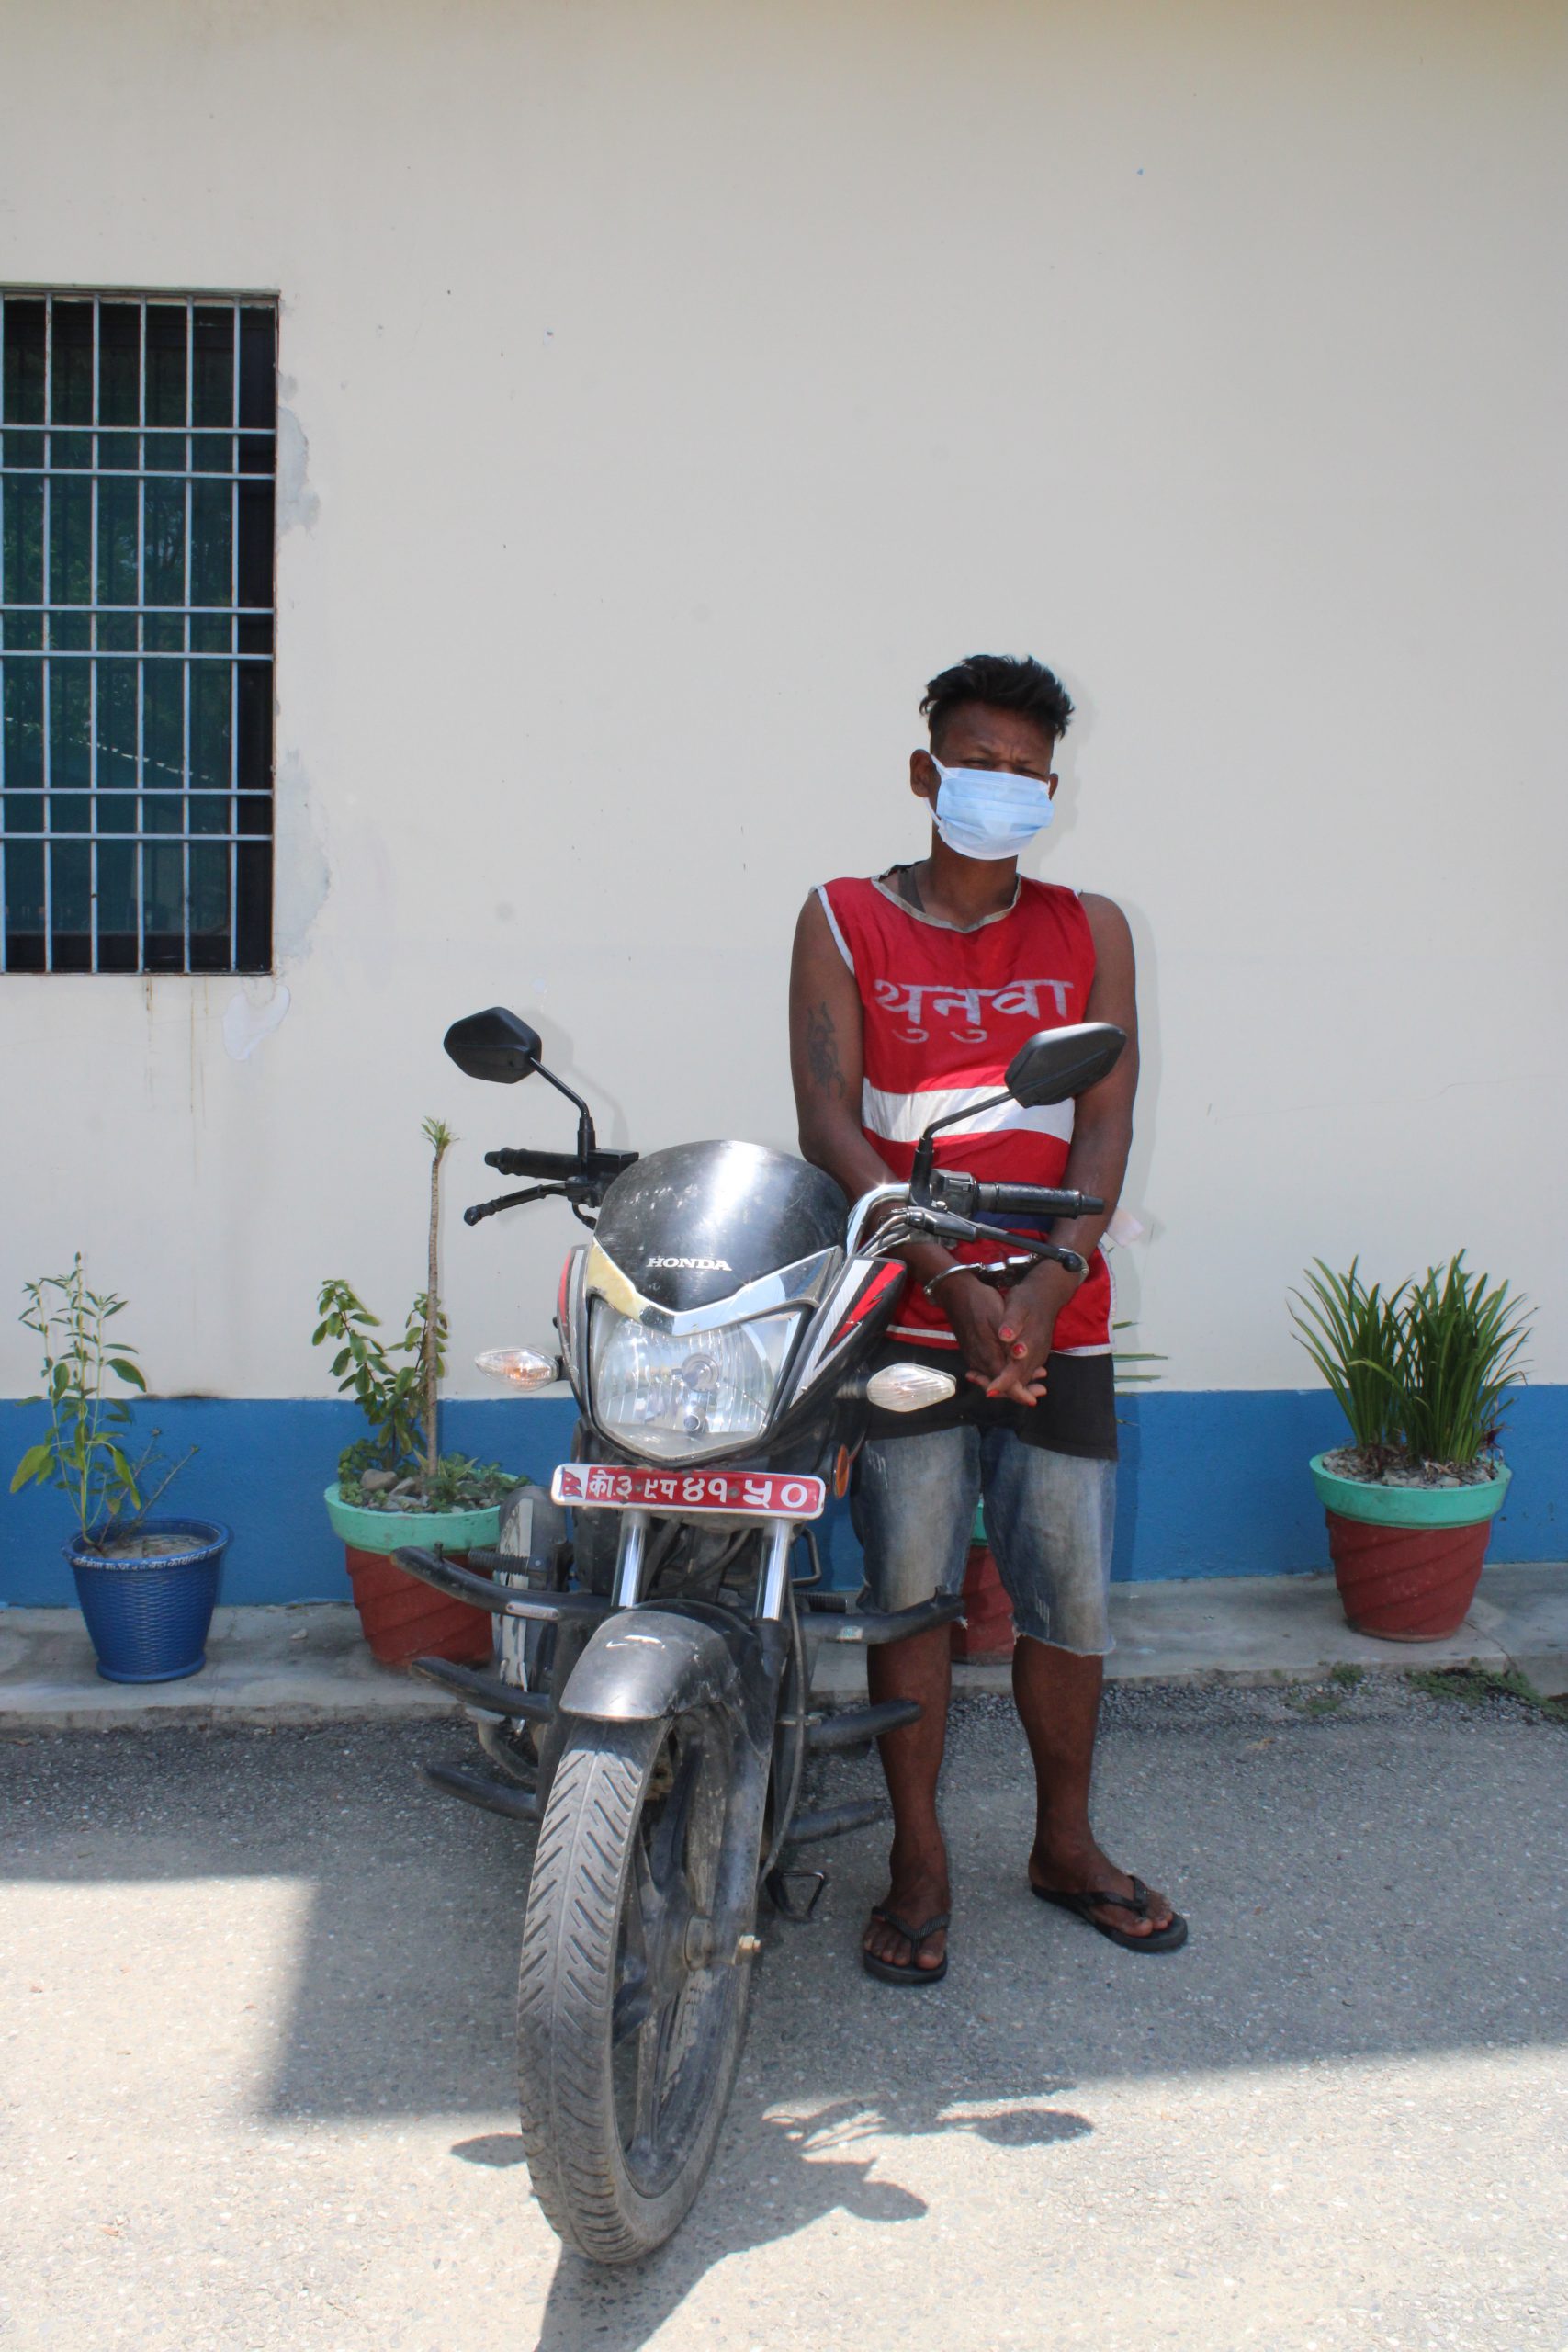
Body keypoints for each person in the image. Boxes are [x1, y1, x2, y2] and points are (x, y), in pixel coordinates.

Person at [788, 652, 1186, 1984]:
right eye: (978, 764)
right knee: (910, 1594)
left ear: (1052, 791)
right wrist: (953, 1286)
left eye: (1027, 773)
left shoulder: (1093, 929)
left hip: (1055, 1314)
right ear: (926, 773)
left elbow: (1105, 1120)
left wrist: (1046, 1285)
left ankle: (1065, 1845)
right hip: (907, 1309)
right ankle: (919, 1858)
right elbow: (831, 1124)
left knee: (1066, 1599)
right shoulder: (843, 917)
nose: (1003, 789)